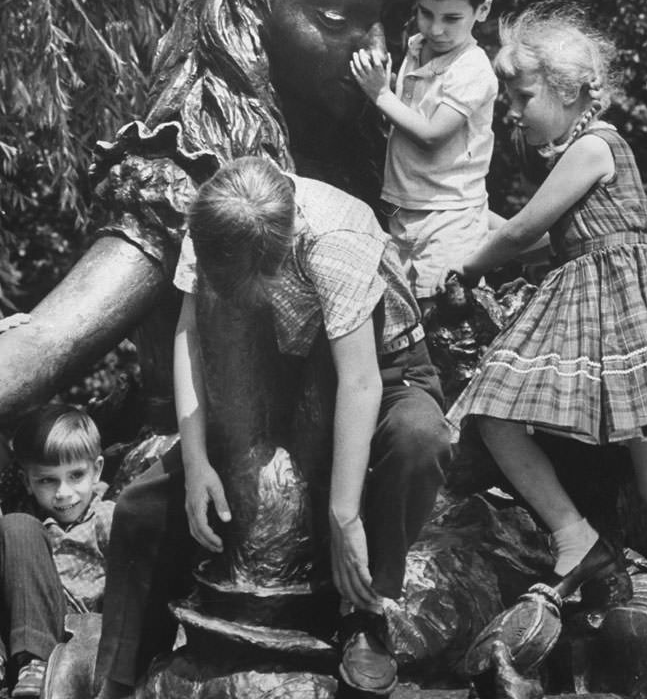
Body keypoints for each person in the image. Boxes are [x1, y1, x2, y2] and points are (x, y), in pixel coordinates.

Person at [0, 0, 422, 429]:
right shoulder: (187, 173)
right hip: (217, 481)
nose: (377, 50)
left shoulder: (377, 150)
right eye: (333, 16)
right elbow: (50, 340)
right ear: (247, 3)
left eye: (395, 19)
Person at [446, 2, 647, 679]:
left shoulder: (594, 145)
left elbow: (523, 228)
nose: (513, 114)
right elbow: (549, 240)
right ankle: (577, 537)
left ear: (569, 90)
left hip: (631, 316)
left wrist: (463, 264)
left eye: (522, 97)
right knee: (498, 415)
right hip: (594, 308)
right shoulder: (577, 150)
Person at [94, 156, 451, 699]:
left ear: (276, 254)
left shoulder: (337, 235)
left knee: (418, 440)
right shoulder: (213, 218)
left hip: (380, 370)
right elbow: (191, 333)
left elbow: (360, 382)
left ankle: (366, 614)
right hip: (271, 376)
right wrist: (194, 463)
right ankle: (120, 675)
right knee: (141, 506)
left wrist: (344, 513)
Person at [350, 0, 500, 313]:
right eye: (426, 13)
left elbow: (432, 135)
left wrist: (380, 94)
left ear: (481, 11)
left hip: (450, 216)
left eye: (452, 19)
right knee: (402, 317)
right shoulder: (417, 46)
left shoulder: (472, 68)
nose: (436, 29)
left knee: (449, 318)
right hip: (404, 208)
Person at [0, 405, 112, 698]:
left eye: (75, 475)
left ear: (97, 469)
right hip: (16, 620)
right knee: (15, 528)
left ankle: (34, 661)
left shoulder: (106, 518)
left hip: (72, 626)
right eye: (47, 480)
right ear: (27, 481)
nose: (63, 492)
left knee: (18, 525)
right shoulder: (24, 519)